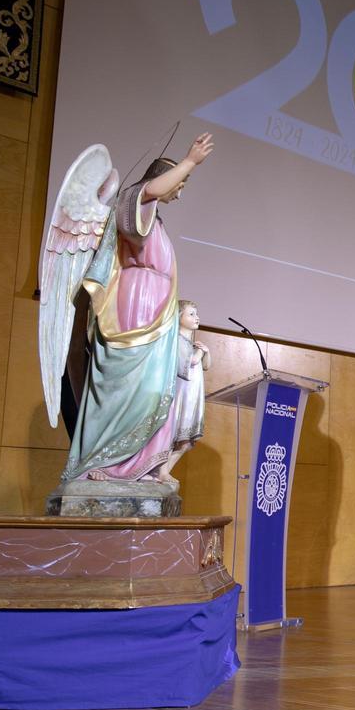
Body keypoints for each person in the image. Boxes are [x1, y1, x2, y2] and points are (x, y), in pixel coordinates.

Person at [60, 133, 215, 483]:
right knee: (132, 390)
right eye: (180, 183)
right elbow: (150, 191)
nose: (180, 191)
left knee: (157, 391)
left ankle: (136, 467)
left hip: (156, 314)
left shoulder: (156, 221)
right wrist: (190, 161)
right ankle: (104, 463)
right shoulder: (133, 200)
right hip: (134, 311)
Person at [156, 300, 212, 484]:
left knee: (186, 441)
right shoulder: (177, 340)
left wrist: (206, 352)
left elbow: (206, 366)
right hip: (181, 394)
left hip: (193, 397)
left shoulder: (192, 344)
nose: (197, 317)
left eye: (196, 314)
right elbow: (187, 365)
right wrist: (200, 353)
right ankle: (161, 471)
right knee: (173, 436)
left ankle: (164, 472)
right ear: (179, 317)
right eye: (191, 314)